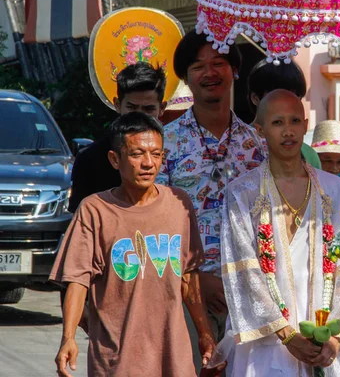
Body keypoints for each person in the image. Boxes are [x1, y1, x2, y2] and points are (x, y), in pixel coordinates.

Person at [51, 112, 217, 377]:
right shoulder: (95, 210)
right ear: (115, 159)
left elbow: (188, 275)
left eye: (157, 154)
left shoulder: (179, 203)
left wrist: (204, 332)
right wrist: (67, 337)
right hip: (117, 358)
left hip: (173, 355)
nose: (148, 163)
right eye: (137, 154)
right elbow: (78, 280)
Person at [221, 90, 340, 376]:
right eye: (277, 123)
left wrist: (335, 338)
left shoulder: (333, 188)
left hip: (324, 338)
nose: (288, 131)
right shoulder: (242, 191)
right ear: (260, 130)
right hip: (267, 340)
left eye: (294, 121)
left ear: (305, 125)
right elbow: (245, 270)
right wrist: (286, 334)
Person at [157, 31, 266, 344]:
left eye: (218, 63)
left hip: (250, 294)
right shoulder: (165, 142)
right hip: (184, 294)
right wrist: (196, 280)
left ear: (234, 71)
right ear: (186, 78)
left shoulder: (258, 143)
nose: (209, 73)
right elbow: (157, 223)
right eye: (198, 67)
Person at [68, 62, 167, 212]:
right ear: (117, 104)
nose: (139, 116)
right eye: (132, 108)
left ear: (162, 109)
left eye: (148, 109)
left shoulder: (178, 153)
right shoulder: (89, 160)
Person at [247, 58, 322, 169]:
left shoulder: (309, 155)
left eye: (293, 97)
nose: (286, 104)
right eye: (276, 96)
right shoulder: (235, 145)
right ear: (255, 98)